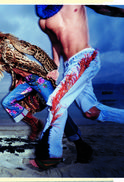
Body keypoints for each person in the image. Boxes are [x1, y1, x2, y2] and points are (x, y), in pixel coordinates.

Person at [0, 30, 93, 163]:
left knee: (57, 110)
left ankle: (80, 144)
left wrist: (52, 68)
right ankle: (35, 123)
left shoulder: (13, 44)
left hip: (39, 79)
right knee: (8, 102)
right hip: (27, 83)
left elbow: (36, 51)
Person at [30, 5, 124, 170]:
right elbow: (56, 43)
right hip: (69, 66)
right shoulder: (43, 20)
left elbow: (101, 8)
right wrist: (55, 67)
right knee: (92, 112)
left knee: (56, 101)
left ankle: (51, 154)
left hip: (85, 58)